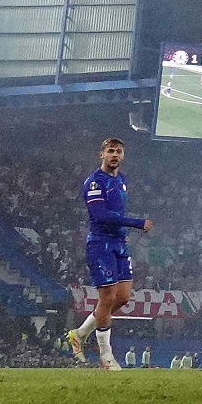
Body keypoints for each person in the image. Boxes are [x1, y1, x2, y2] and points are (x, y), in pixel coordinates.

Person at [66, 138, 150, 370]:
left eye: (119, 151)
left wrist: (124, 231)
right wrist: (136, 222)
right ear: (101, 154)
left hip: (119, 243)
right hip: (100, 244)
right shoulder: (94, 182)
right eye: (110, 151)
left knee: (122, 298)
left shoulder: (121, 180)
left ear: (123, 156)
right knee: (107, 299)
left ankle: (80, 333)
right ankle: (106, 355)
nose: (115, 155)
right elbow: (101, 215)